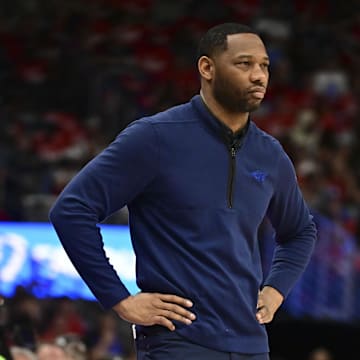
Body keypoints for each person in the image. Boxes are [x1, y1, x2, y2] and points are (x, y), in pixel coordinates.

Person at [49, 23, 316, 360]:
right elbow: (71, 210)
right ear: (207, 68)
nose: (258, 76)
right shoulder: (155, 137)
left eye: (264, 66)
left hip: (251, 344)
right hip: (177, 343)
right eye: (244, 64)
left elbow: (300, 231)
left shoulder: (270, 154)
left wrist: (277, 289)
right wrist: (120, 299)